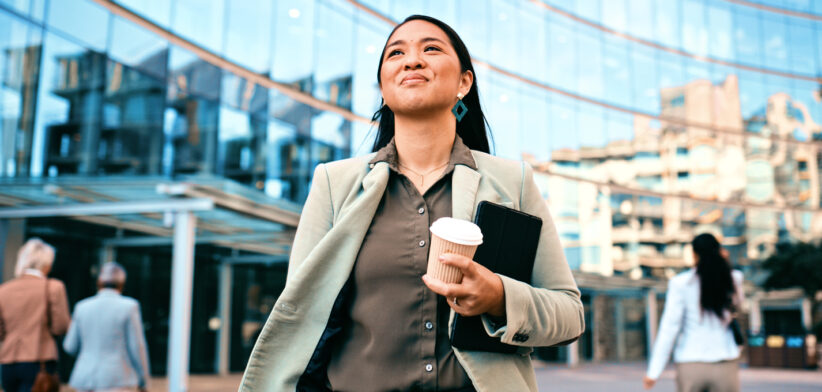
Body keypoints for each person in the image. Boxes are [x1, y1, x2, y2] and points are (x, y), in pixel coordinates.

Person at [240, 15, 584, 391]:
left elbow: (569, 315)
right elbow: (300, 316)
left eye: (431, 49)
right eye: (396, 53)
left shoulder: (512, 181)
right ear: (384, 90)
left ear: (464, 83)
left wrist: (498, 297)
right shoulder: (333, 183)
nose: (412, 60)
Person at [643, 233, 744, 391]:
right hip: (725, 362)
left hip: (690, 362)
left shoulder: (680, 283)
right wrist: (725, 261)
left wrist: (653, 372)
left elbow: (669, 328)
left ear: (694, 254)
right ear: (720, 251)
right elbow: (738, 306)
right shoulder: (734, 279)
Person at [63, 262, 150, 392]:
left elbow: (70, 346)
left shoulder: (82, 307)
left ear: (99, 282)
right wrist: (143, 379)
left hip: (84, 378)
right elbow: (137, 347)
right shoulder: (129, 306)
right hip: (115, 378)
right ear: (122, 284)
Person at [0, 238, 70, 392]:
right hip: (40, 361)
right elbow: (61, 327)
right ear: (46, 264)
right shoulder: (54, 287)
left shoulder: (3, 290)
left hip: (7, 361)